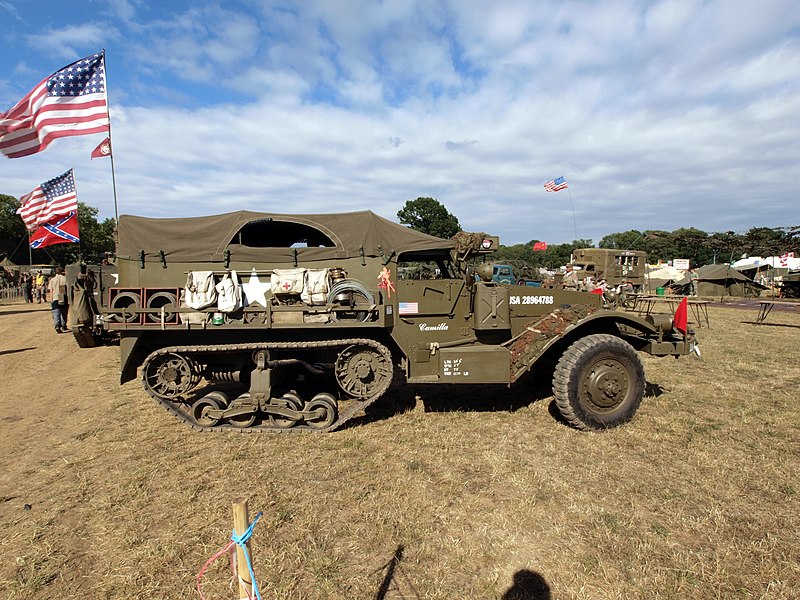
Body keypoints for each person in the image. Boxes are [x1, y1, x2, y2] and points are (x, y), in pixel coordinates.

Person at [48, 267, 69, 333]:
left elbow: (51, 290)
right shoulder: (65, 279)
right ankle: (63, 325)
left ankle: (57, 326)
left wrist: (51, 300)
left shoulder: (52, 280)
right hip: (63, 297)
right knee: (64, 312)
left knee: (56, 313)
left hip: (55, 297)